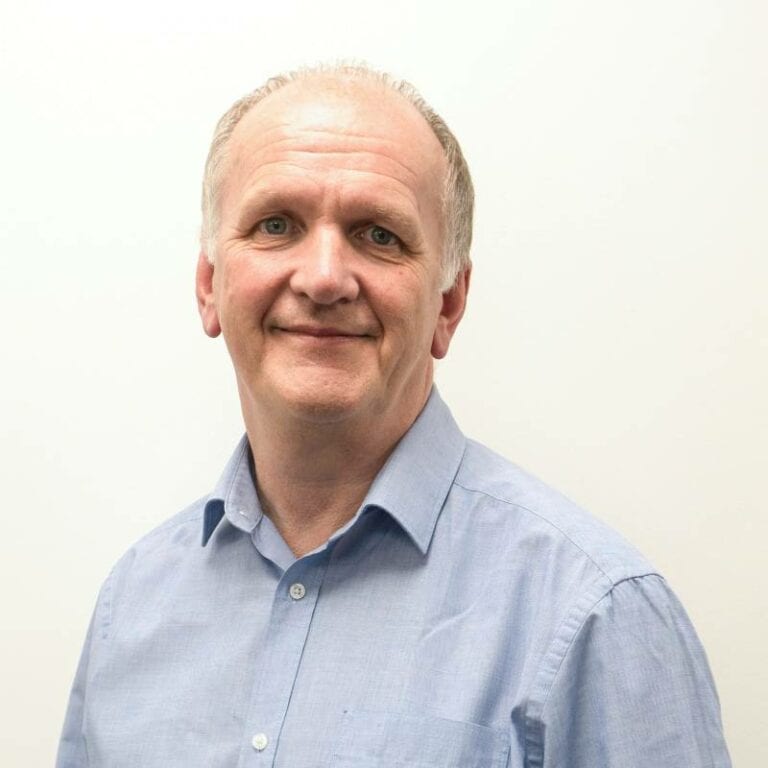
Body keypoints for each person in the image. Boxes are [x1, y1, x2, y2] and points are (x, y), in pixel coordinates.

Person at [56, 64, 731, 767]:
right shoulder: (130, 607)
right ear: (208, 286)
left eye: (378, 235)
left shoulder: (598, 614)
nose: (322, 277)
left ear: (448, 305)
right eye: (276, 224)